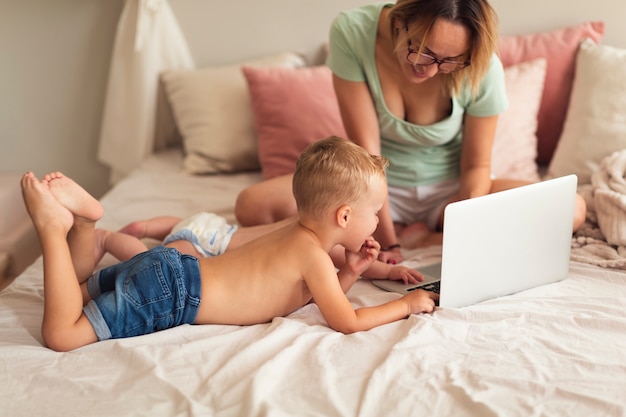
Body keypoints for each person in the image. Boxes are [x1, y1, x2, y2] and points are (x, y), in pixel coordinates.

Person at [234, 0, 587, 264]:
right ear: (400, 23)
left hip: (453, 189)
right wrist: (387, 243)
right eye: (423, 53)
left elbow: (476, 166)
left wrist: (464, 229)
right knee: (252, 206)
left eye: (450, 62)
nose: (433, 71)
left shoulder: (481, 66)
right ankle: (405, 231)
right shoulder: (353, 33)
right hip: (370, 187)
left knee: (571, 208)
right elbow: (366, 155)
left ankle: (429, 233)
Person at [21, 137, 438, 352]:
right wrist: (405, 305)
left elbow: (307, 297)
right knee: (61, 333)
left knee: (71, 295)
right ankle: (53, 230)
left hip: (169, 266)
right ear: (344, 217)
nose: (379, 220)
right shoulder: (312, 256)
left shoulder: (295, 235)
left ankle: (84, 224)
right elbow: (345, 320)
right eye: (376, 210)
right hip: (174, 295)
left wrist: (349, 271)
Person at [94, 212, 424, 284]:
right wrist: (391, 270)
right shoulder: (317, 245)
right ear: (344, 217)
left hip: (212, 224)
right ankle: (108, 239)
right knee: (159, 267)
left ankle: (146, 227)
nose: (377, 221)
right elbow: (355, 265)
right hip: (210, 247)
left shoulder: (305, 218)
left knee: (176, 227)